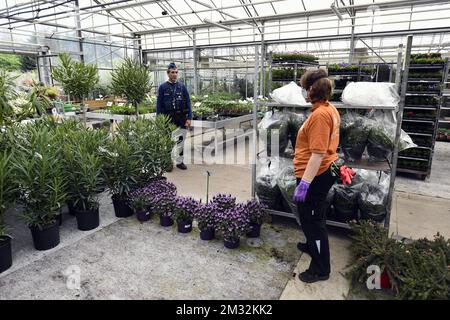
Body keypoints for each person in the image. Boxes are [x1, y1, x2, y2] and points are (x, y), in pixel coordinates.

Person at [293, 69, 340, 284]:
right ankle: (312, 245)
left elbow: (318, 154)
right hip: (320, 172)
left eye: (305, 89)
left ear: (312, 90)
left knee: (314, 221)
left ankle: (321, 268)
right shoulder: (328, 109)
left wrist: (305, 183)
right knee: (310, 217)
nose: (304, 93)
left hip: (315, 175)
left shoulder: (320, 115)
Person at [156, 63, 192, 170]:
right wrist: (159, 119)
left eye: (176, 72)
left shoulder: (182, 87)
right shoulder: (163, 87)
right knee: (167, 140)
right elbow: (158, 105)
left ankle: (179, 162)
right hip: (168, 118)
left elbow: (188, 102)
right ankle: (167, 162)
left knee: (181, 140)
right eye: (172, 72)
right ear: (168, 73)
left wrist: (189, 117)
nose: (175, 74)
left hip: (181, 118)